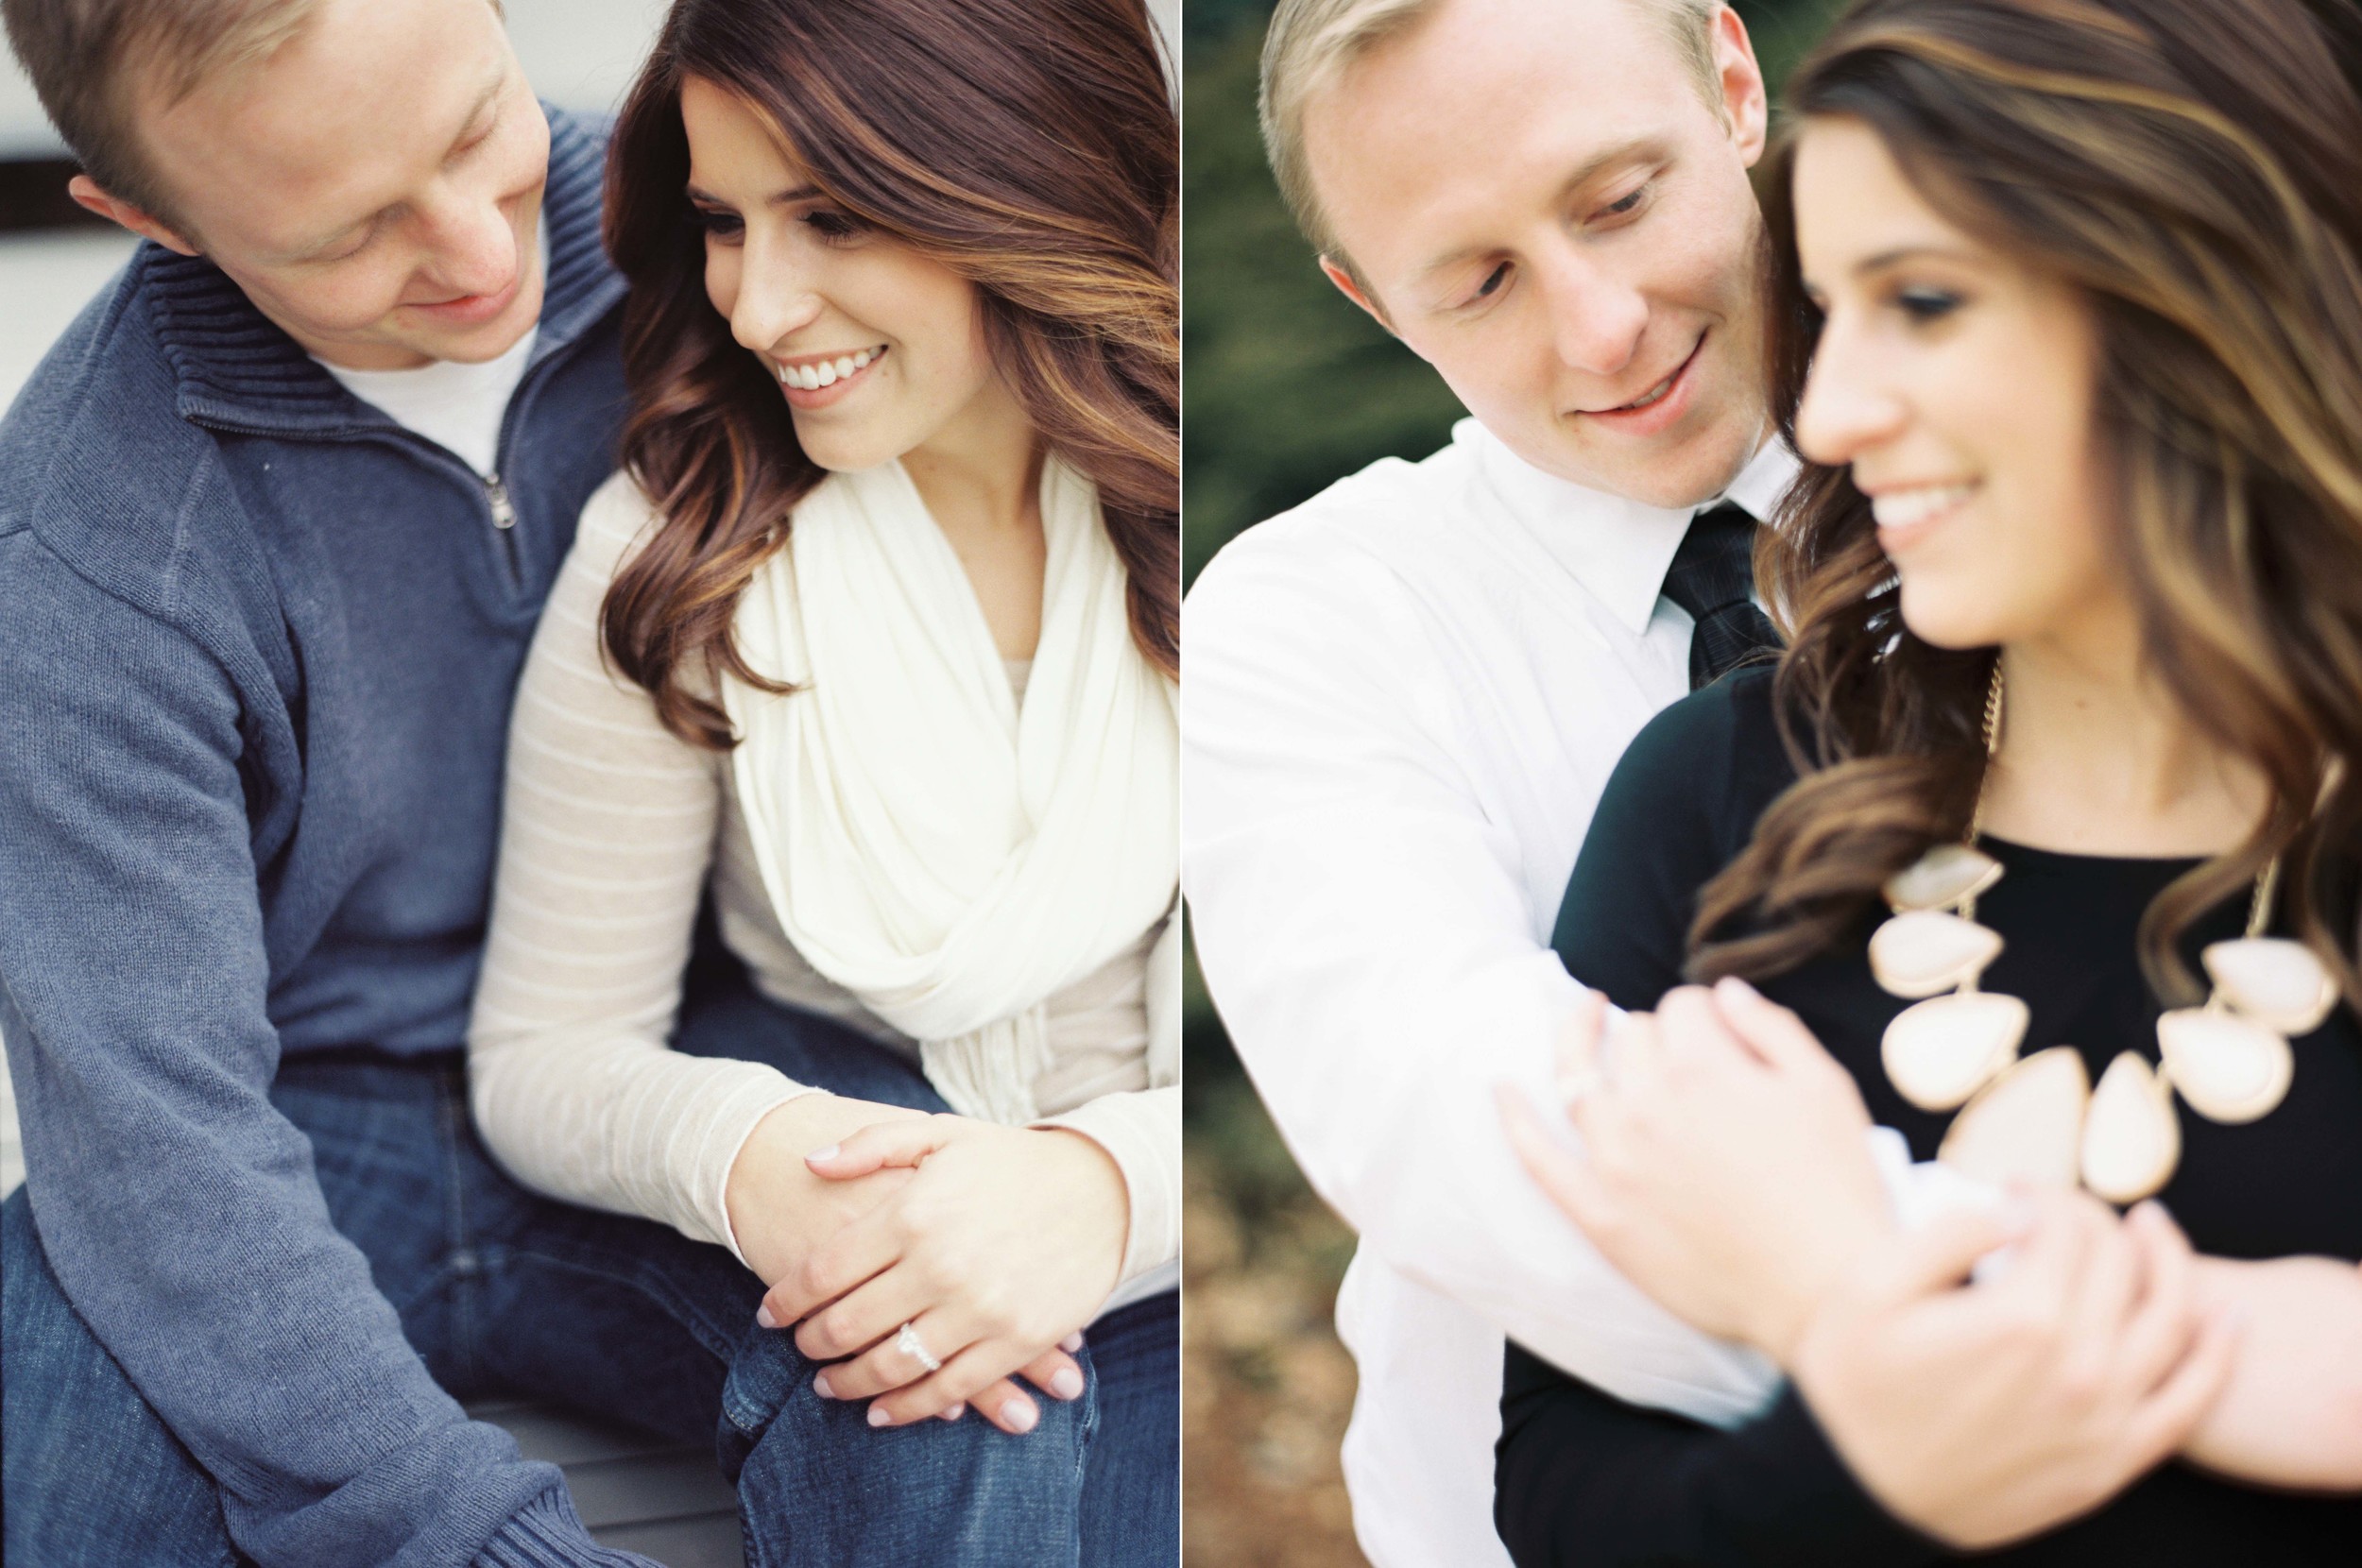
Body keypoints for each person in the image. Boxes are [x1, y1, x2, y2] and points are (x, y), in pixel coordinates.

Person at [0, 1, 1115, 1564]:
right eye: (347, 232)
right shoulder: (88, 550)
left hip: (696, 1053)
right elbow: (152, 1134)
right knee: (46, 1449)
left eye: (477, 131)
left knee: (957, 1358)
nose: (471, 253)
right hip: (288, 1129)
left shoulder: (729, 250)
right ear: (151, 220)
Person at [1496, 0, 2362, 1559]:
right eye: (1833, 311)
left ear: (2213, 288)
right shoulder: (1723, 794)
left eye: (1930, 300)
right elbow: (1565, 1501)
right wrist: (1879, 1434)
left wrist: (1855, 1275)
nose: (1824, 414)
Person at [462, 0, 1178, 1557]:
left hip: (1177, 1252)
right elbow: (544, 1055)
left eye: (835, 216)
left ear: (1026, 187)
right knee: (929, 1401)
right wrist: (769, 1161)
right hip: (872, 1200)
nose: (762, 306)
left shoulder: (1229, 540)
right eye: (722, 224)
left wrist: (1104, 1189)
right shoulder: (678, 553)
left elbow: (1358, 1044)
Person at [1184, 2, 1836, 1559]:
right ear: (1369, 299)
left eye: (1621, 200)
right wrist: (2057, 1335)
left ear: (1735, 88)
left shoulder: (2051, 464)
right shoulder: (1306, 625)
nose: (1599, 325)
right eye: (1477, 283)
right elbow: (1471, 1130)